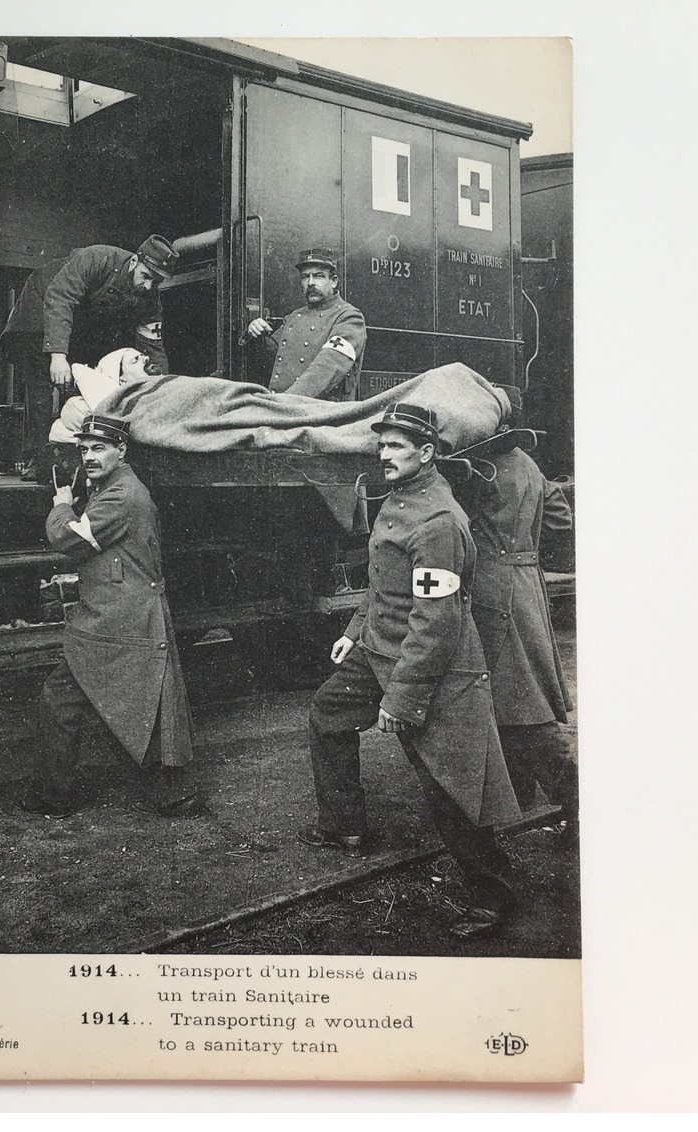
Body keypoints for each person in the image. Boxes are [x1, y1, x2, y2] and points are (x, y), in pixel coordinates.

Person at [304, 402, 522, 939]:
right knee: (327, 715)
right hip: (378, 649)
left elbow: (437, 624)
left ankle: (495, 897)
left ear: (426, 454)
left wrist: (401, 700)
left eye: (396, 447)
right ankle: (344, 828)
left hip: (430, 669)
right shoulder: (401, 499)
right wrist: (353, 632)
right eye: (381, 445)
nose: (384, 455)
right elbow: (384, 582)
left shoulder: (439, 522)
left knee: (450, 785)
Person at [21, 412, 200, 818]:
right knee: (134, 700)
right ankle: (171, 794)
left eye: (99, 448)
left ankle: (57, 795)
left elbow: (69, 537)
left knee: (78, 698)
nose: (88, 457)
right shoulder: (114, 486)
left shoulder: (122, 495)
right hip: (118, 617)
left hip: (119, 620)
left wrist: (61, 506)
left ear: (122, 450)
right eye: (83, 449)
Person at [456, 393, 578, 835]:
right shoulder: (529, 464)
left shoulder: (479, 468)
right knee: (520, 692)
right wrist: (529, 549)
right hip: (527, 584)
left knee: (518, 698)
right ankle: (524, 798)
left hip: (492, 587)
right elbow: (561, 520)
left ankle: (575, 801)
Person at [0, 236, 179, 481]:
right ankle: (37, 457)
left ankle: (75, 452)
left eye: (156, 282)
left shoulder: (150, 299)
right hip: (43, 306)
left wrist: (164, 388)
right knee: (42, 377)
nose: (149, 286)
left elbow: (153, 344)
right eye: (146, 276)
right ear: (134, 261)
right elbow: (60, 298)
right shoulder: (97, 258)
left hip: (80, 323)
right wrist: (58, 356)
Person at [241, 247, 367, 401]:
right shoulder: (294, 317)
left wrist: (285, 401)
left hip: (321, 415)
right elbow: (271, 358)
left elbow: (328, 366)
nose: (311, 283)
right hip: (284, 407)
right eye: (305, 277)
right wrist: (256, 335)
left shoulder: (349, 317)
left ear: (333, 281)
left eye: (319, 276)